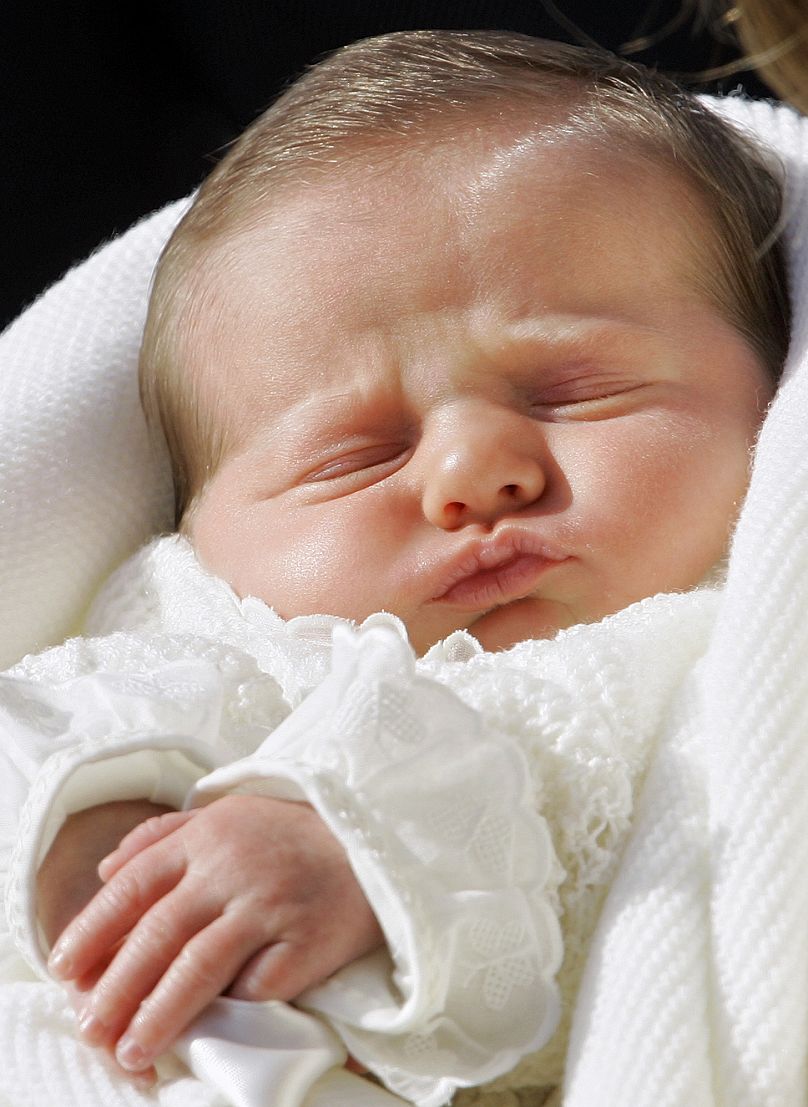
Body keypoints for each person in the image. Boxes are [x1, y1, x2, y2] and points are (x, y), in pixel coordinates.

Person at [3, 29, 792, 1107]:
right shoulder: (212, 629)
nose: (471, 471)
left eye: (572, 389)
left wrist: (364, 835)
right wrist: (94, 824)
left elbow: (582, 785)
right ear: (196, 524)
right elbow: (43, 718)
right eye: (358, 453)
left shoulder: (725, 641)